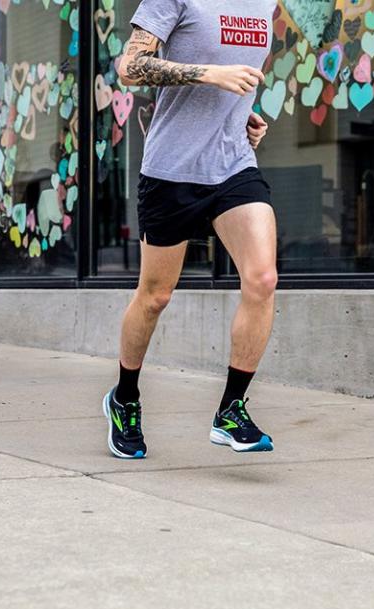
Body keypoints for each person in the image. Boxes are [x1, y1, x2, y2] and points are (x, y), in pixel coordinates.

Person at [102, 0, 279, 459]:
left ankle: (231, 410)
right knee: (155, 295)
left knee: (262, 279)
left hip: (232, 164)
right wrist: (209, 75)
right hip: (171, 170)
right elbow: (130, 67)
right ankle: (124, 397)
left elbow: (242, 79)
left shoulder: (265, 3)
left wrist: (245, 116)